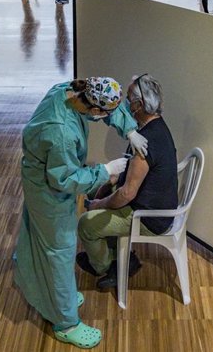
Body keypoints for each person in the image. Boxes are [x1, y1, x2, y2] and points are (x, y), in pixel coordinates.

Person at [14, 77, 148, 349]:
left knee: (40, 238)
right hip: (48, 191)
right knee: (60, 252)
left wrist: (129, 129)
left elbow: (110, 102)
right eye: (105, 115)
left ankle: (48, 292)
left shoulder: (67, 90)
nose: (106, 118)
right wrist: (105, 171)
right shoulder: (60, 132)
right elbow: (64, 179)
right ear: (95, 111)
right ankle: (66, 323)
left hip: (39, 175)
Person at [77, 74, 178, 289]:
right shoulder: (155, 127)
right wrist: (106, 184)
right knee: (95, 187)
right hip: (148, 201)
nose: (124, 104)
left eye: (128, 99)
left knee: (85, 224)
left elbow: (126, 194)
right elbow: (126, 174)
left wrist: (98, 205)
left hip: (148, 218)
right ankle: (115, 252)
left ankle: (106, 266)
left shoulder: (146, 143)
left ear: (138, 105)